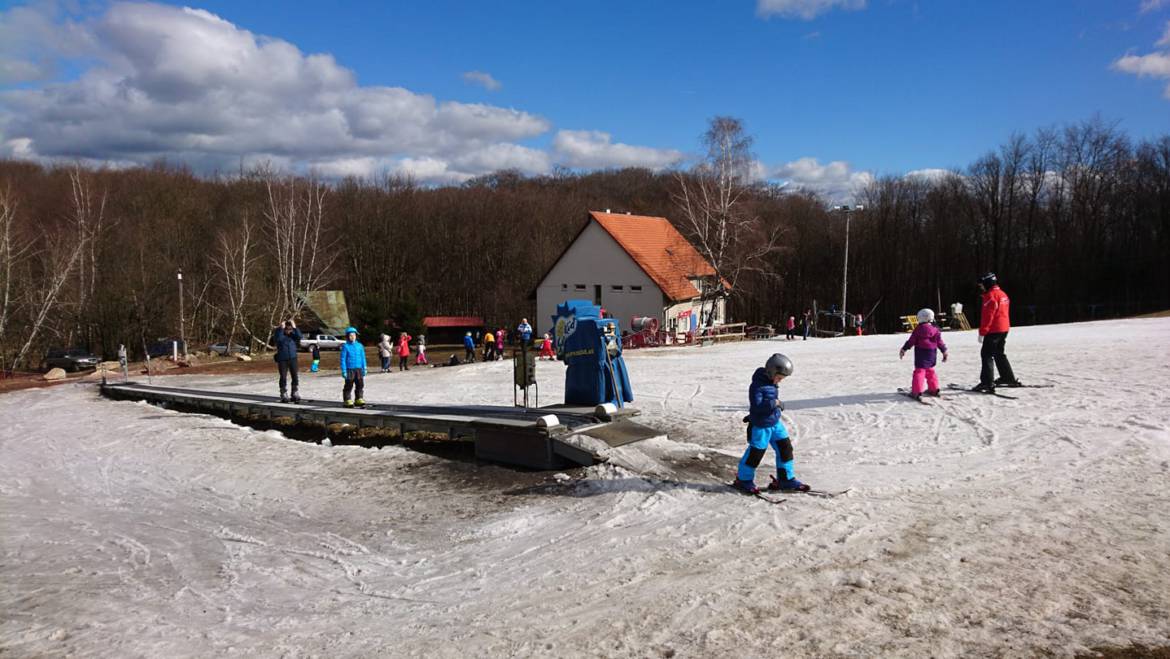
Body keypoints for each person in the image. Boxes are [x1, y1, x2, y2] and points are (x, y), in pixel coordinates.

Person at [732, 353, 810, 494]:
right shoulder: (756, 386)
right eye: (779, 378)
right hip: (761, 426)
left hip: (775, 423)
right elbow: (757, 406)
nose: (780, 381)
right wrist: (775, 403)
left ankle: (786, 479)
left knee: (785, 449)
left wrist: (777, 406)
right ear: (771, 372)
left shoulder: (771, 383)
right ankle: (743, 480)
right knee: (755, 454)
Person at [975, 272, 1020, 392]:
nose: (981, 287)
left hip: (994, 330)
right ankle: (1007, 377)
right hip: (1004, 328)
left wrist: (983, 332)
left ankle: (987, 383)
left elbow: (988, 316)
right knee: (999, 353)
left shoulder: (991, 296)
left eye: (982, 285)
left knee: (987, 354)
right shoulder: (1002, 294)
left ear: (988, 283)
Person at [900, 308, 948, 400]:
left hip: (921, 353)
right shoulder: (935, 329)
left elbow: (911, 341)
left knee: (919, 371)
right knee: (930, 371)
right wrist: (944, 351)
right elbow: (940, 342)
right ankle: (934, 389)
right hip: (932, 353)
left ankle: (916, 391)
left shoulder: (918, 329)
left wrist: (904, 349)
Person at [270, 319, 302, 403]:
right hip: (282, 359)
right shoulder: (279, 333)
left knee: (295, 376)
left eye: (290, 329)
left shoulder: (292, 335)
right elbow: (278, 339)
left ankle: (294, 392)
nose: (289, 331)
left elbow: (299, 336)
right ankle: (283, 393)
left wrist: (295, 327)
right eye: (287, 329)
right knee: (283, 377)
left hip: (293, 358)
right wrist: (281, 328)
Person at [339, 326, 367, 407]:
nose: (352, 337)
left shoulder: (360, 346)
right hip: (349, 369)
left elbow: (363, 357)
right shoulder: (345, 346)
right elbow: (343, 359)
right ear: (348, 336)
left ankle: (359, 398)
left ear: (356, 336)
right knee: (349, 385)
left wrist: (364, 368)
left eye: (354, 335)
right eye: (350, 335)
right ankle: (347, 399)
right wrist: (344, 370)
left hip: (359, 369)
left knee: (360, 384)